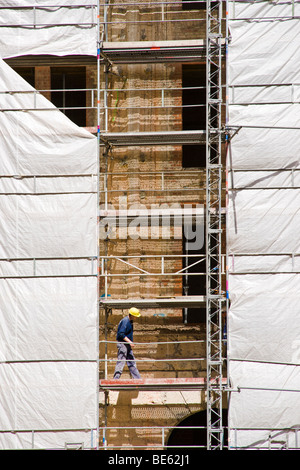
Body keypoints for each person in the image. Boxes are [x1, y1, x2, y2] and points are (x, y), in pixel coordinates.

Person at [113, 307, 141, 380]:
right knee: (121, 361)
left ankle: (138, 379)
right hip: (123, 344)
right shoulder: (125, 321)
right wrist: (130, 342)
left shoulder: (130, 321)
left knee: (131, 361)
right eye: (135, 316)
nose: (136, 318)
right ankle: (116, 379)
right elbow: (121, 334)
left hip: (127, 344)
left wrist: (129, 343)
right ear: (132, 315)